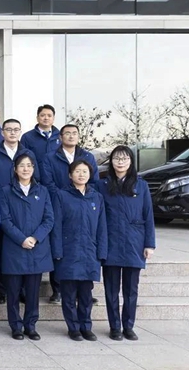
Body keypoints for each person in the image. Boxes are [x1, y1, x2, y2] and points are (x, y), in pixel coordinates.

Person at [96, 146, 155, 341]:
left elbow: (148, 215)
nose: (120, 162)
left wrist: (149, 244)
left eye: (124, 158)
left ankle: (128, 326)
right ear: (111, 162)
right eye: (116, 158)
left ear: (131, 161)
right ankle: (115, 327)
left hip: (134, 242)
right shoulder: (102, 185)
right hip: (111, 241)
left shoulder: (141, 185)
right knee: (111, 289)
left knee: (131, 289)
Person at [0, 154, 54, 341]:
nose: (25, 169)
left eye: (29, 165)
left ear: (33, 168)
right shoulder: (5, 191)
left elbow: (49, 219)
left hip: (36, 248)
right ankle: (15, 326)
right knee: (13, 292)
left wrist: (35, 237)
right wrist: (21, 238)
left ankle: (30, 325)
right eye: (21, 165)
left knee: (33, 292)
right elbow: (4, 220)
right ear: (15, 169)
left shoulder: (42, 191)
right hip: (14, 248)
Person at [0, 118, 38, 304]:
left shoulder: (28, 154)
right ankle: (1, 290)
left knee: (21, 248)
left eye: (16, 129)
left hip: (23, 206)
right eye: (9, 129)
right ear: (2, 132)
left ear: (20, 132)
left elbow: (35, 178)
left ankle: (22, 290)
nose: (12, 133)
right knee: (1, 249)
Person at [41, 124, 99, 303]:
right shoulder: (50, 157)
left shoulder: (87, 157)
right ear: (60, 137)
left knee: (83, 244)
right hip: (58, 202)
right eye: (67, 133)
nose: (71, 136)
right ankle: (57, 289)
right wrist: (63, 196)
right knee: (60, 244)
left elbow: (94, 181)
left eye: (75, 133)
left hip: (83, 202)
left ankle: (85, 291)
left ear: (79, 136)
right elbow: (47, 182)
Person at [51, 160, 107, 342]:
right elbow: (56, 226)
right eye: (77, 171)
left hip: (89, 251)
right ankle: (73, 328)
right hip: (69, 251)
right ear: (70, 175)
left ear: (90, 175)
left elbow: (102, 227)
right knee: (68, 294)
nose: (81, 174)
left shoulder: (96, 197)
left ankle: (86, 326)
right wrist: (57, 251)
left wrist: (101, 252)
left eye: (85, 171)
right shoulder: (61, 195)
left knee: (86, 293)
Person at [21, 104, 60, 175]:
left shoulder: (60, 136)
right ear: (37, 118)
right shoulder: (27, 137)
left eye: (49, 116)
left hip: (56, 176)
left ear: (53, 118)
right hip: (36, 177)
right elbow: (23, 159)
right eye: (42, 115)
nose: (46, 118)